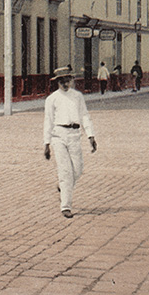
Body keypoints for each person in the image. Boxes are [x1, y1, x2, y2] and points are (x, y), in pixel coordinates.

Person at [42, 66, 97, 219]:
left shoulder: (78, 96)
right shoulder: (52, 99)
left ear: (72, 80)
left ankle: (62, 186)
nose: (65, 84)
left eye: (67, 81)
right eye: (62, 82)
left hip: (74, 135)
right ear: (57, 83)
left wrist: (90, 135)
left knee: (78, 169)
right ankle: (65, 206)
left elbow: (85, 115)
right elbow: (48, 121)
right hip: (58, 136)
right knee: (65, 172)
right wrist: (46, 143)